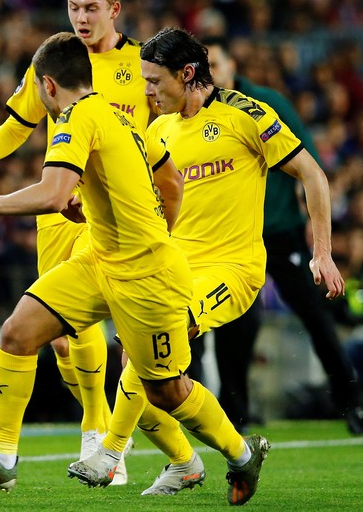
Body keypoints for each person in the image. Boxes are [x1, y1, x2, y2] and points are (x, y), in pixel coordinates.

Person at [0, 33, 255, 508]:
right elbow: (170, 182)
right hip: (99, 259)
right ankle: (2, 458)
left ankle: (241, 454)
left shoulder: (75, 118)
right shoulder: (117, 116)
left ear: (47, 85)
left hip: (147, 277)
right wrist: (107, 215)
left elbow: (49, 193)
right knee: (18, 333)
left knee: (166, 391)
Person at [69, 27, 344, 503]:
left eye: (155, 81)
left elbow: (313, 176)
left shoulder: (246, 115)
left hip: (232, 270)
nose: (147, 92)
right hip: (173, 268)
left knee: (162, 335)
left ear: (188, 74)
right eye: (144, 81)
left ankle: (111, 451)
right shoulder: (158, 131)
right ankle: (204, 461)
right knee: (153, 378)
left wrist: (322, 251)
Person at [0, 0, 148, 481]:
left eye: (91, 8)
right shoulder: (54, 62)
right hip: (58, 210)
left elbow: (165, 138)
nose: (81, 17)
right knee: (58, 337)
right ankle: (97, 437)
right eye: (74, 7)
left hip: (114, 213)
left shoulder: (141, 64)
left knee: (87, 325)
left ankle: (99, 442)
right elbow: (17, 127)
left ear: (114, 9)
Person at [203, 35, 363, 435]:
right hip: (234, 237)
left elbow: (307, 164)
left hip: (278, 230)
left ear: (231, 66)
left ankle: (352, 403)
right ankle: (235, 413)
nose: (211, 74)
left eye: (216, 64)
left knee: (314, 313)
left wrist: (317, 237)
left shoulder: (266, 103)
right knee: (233, 323)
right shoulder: (199, 114)